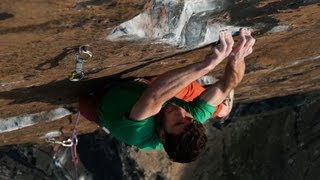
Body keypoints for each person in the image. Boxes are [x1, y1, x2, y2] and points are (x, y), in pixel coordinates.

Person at [79, 28, 255, 163]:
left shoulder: (139, 133)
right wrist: (237, 58)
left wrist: (206, 66)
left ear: (162, 135)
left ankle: (218, 108)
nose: (181, 112)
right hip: (142, 86)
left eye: (178, 122)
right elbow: (227, 85)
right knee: (206, 97)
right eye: (188, 118)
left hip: (108, 98)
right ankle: (221, 109)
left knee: (85, 104)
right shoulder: (190, 120)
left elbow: (156, 95)